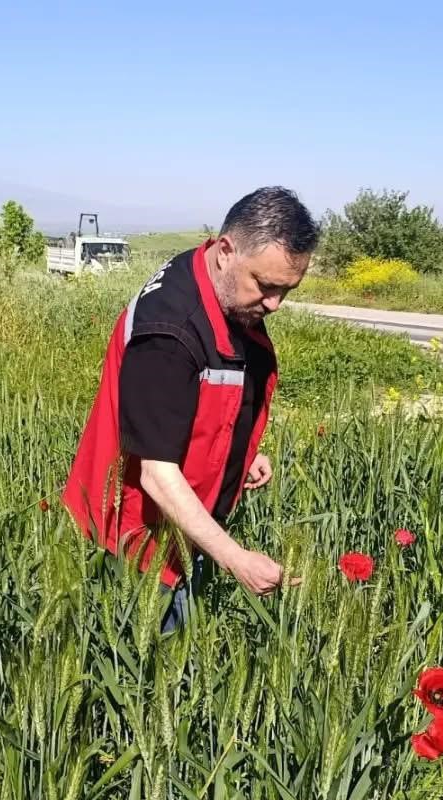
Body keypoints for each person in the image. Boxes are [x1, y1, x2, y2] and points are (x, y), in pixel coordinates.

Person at [62, 186, 320, 632]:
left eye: (287, 290)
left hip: (182, 531)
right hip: (137, 542)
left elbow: (196, 397)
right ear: (225, 251)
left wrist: (240, 454)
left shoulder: (213, 283)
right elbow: (156, 475)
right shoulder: (169, 332)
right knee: (143, 670)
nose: (275, 304)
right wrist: (236, 559)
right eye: (266, 285)